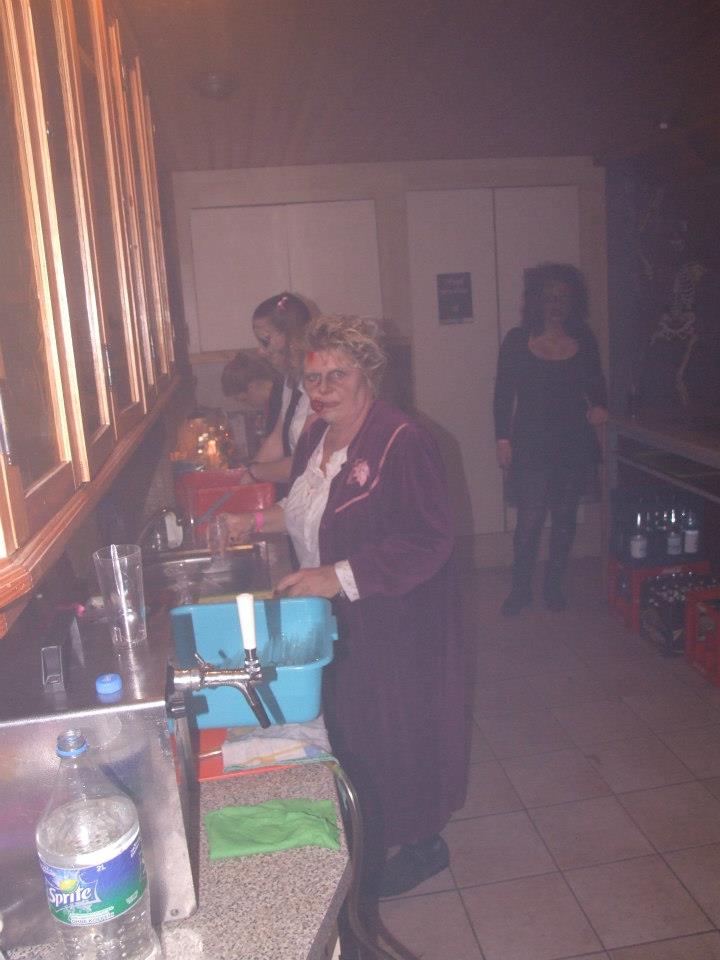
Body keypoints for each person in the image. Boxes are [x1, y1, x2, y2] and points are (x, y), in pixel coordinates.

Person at [224, 315, 469, 898]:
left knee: (398, 730)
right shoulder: (317, 434)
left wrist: (334, 576)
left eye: (338, 374)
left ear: (368, 375)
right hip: (338, 616)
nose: (323, 388)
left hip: (398, 618)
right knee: (355, 727)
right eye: (313, 377)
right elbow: (307, 508)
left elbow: (430, 540)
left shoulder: (403, 440)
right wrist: (251, 521)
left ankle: (423, 843)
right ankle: (371, 826)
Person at [494, 262, 608, 615]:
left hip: (573, 442)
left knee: (564, 519)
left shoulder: (584, 340)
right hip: (530, 442)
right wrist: (502, 439)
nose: (556, 304)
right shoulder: (517, 340)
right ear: (536, 300)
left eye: (563, 297)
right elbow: (502, 394)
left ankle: (553, 586)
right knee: (529, 521)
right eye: (548, 297)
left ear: (574, 301)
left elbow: (597, 387)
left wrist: (600, 408)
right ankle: (520, 589)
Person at [241, 292, 315, 485]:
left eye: (265, 341)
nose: (260, 350)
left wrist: (255, 473)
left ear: (293, 337)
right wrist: (247, 475)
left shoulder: (320, 386)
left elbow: (305, 463)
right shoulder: (290, 380)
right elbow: (277, 439)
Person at [220, 350, 282, 460]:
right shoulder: (272, 400)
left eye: (244, 399)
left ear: (252, 386)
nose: (246, 405)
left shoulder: (278, 402)